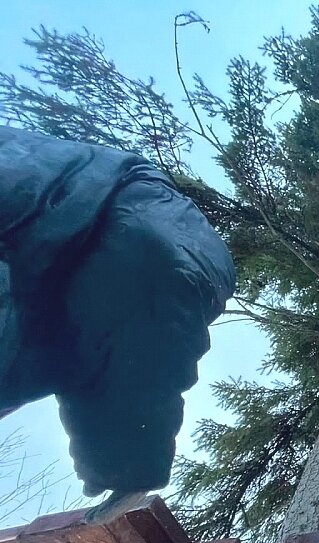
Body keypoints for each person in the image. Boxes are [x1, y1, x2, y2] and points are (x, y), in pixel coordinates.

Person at [0, 126, 236, 519]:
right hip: (155, 243)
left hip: (137, 237)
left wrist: (121, 461)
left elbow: (139, 308)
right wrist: (121, 461)